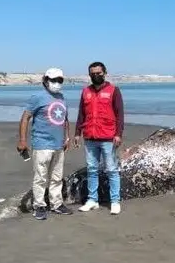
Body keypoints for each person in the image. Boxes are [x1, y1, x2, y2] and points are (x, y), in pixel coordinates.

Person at [17, 67, 73, 220]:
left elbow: (65, 120)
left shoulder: (61, 97)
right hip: (42, 144)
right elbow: (25, 118)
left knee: (57, 177)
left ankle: (57, 204)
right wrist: (22, 140)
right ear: (45, 81)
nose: (57, 83)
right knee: (40, 177)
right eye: (53, 80)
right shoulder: (37, 97)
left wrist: (67, 138)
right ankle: (39, 206)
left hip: (59, 145)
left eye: (60, 80)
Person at [72, 61, 124, 215]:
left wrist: (118, 134)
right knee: (92, 169)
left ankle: (115, 201)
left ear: (104, 73)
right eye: (93, 74)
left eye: (98, 73)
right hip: (90, 137)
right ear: (89, 75)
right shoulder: (85, 91)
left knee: (112, 170)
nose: (96, 76)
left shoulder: (114, 90)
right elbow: (81, 114)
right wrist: (77, 133)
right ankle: (92, 200)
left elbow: (120, 114)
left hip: (108, 137)